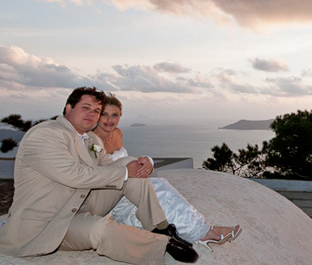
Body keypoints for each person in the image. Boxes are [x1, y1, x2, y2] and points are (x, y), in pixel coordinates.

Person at [0, 87, 198, 265]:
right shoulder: (45, 134)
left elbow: (110, 166)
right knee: (99, 229)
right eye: (85, 108)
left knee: (128, 164)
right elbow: (72, 175)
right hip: (51, 221)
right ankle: (160, 246)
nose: (92, 115)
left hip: (84, 203)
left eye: (96, 110)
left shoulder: (91, 141)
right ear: (68, 108)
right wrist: (125, 171)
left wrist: (142, 163)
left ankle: (160, 228)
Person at [93, 93, 241, 251]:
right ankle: (203, 233)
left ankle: (203, 229)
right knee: (158, 188)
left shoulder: (117, 134)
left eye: (114, 115)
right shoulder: (91, 139)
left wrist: (147, 161)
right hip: (110, 197)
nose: (110, 120)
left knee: (159, 190)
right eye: (105, 115)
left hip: (131, 189)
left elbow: (128, 159)